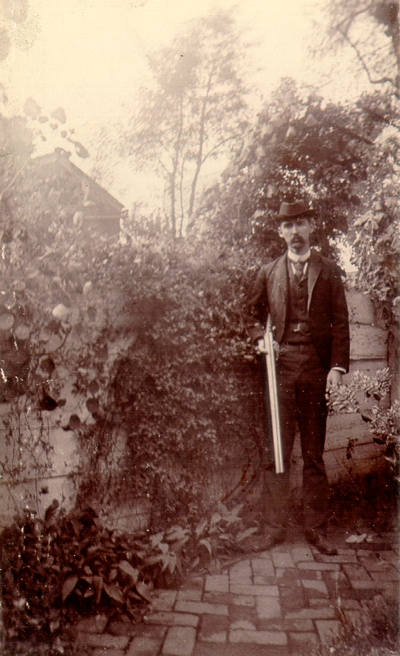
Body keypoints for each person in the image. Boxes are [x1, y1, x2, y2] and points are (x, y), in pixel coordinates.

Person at [249, 199, 350, 555]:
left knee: (313, 454)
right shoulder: (268, 272)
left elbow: (340, 321)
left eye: (300, 224)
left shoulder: (329, 270)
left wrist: (337, 367)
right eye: (287, 226)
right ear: (280, 232)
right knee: (276, 450)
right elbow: (251, 315)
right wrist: (261, 341)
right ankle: (273, 529)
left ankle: (316, 529)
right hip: (280, 371)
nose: (294, 232)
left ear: (311, 227)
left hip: (315, 370)